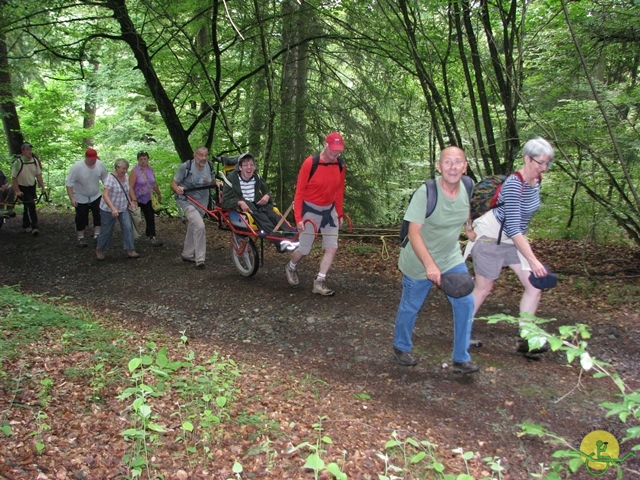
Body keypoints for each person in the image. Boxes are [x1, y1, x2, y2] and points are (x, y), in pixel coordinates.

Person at [392, 146, 479, 374]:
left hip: (450, 256)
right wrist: (430, 265)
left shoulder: (468, 186)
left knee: (465, 302)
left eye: (458, 161)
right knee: (411, 306)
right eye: (447, 162)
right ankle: (401, 346)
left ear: (465, 166)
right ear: (439, 167)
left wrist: (469, 228)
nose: (453, 166)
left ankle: (461, 358)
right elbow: (414, 232)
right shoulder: (427, 192)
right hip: (419, 260)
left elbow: (467, 209)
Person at [466, 137, 555, 354]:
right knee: (484, 288)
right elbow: (514, 228)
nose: (543, 167)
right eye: (540, 162)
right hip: (491, 239)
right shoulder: (514, 184)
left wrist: (531, 260)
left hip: (513, 241)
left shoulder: (536, 181)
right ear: (527, 159)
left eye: (547, 163)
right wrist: (534, 260)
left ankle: (527, 338)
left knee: (535, 285)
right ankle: (462, 332)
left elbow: (518, 229)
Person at [284, 132, 347, 296]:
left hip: (329, 211)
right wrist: (298, 218)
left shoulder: (340, 165)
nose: (335, 153)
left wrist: (339, 213)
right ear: (325, 145)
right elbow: (299, 193)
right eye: (333, 149)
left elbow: (339, 190)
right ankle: (291, 266)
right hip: (310, 211)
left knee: (332, 248)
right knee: (305, 249)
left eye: (338, 150)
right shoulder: (310, 163)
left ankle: (319, 282)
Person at [221, 152, 298, 253]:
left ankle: (291, 235)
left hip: (259, 204)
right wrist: (239, 202)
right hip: (245, 209)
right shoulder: (232, 179)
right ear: (240, 167)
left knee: (273, 214)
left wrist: (267, 196)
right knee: (261, 216)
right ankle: (279, 239)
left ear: (254, 167)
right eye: (245, 165)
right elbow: (225, 202)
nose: (249, 167)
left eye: (252, 164)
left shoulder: (256, 177)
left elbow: (267, 192)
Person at [170, 146, 216, 269]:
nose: (203, 158)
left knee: (193, 226)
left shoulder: (209, 166)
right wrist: (177, 189)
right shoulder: (186, 167)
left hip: (202, 202)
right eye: (200, 155)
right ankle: (200, 259)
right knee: (200, 226)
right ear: (194, 155)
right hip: (187, 200)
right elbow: (173, 184)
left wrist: (217, 183)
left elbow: (211, 181)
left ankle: (187, 254)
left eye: (205, 155)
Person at [95, 159, 140, 261]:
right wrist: (113, 208)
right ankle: (100, 249)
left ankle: (130, 249)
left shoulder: (126, 176)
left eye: (126, 169)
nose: (124, 171)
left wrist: (130, 201)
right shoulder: (110, 179)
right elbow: (105, 195)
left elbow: (126, 190)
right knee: (107, 230)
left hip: (123, 207)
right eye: (123, 169)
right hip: (108, 208)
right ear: (117, 167)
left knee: (128, 227)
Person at [65, 148, 109, 247]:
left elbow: (105, 179)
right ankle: (81, 237)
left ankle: (97, 235)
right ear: (86, 158)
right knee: (81, 217)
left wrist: (107, 192)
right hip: (80, 196)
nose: (93, 161)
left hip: (95, 195)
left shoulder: (100, 165)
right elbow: (69, 184)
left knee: (98, 215)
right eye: (91, 159)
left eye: (94, 159)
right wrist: (72, 198)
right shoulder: (77, 167)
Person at [129, 151, 163, 247]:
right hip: (137, 198)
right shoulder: (135, 171)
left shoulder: (150, 169)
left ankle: (151, 236)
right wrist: (133, 198)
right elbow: (130, 186)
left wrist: (158, 193)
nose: (143, 161)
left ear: (148, 159)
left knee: (150, 217)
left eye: (145, 159)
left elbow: (153, 183)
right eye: (141, 159)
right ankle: (131, 236)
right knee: (135, 218)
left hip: (148, 198)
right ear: (138, 160)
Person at [11, 142, 46, 236]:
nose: (30, 151)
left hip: (31, 186)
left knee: (28, 205)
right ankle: (34, 227)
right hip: (22, 187)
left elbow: (38, 174)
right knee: (31, 205)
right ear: (23, 151)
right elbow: (14, 178)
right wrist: (17, 191)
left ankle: (25, 224)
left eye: (30, 149)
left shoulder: (34, 161)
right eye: (27, 149)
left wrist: (42, 186)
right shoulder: (18, 162)